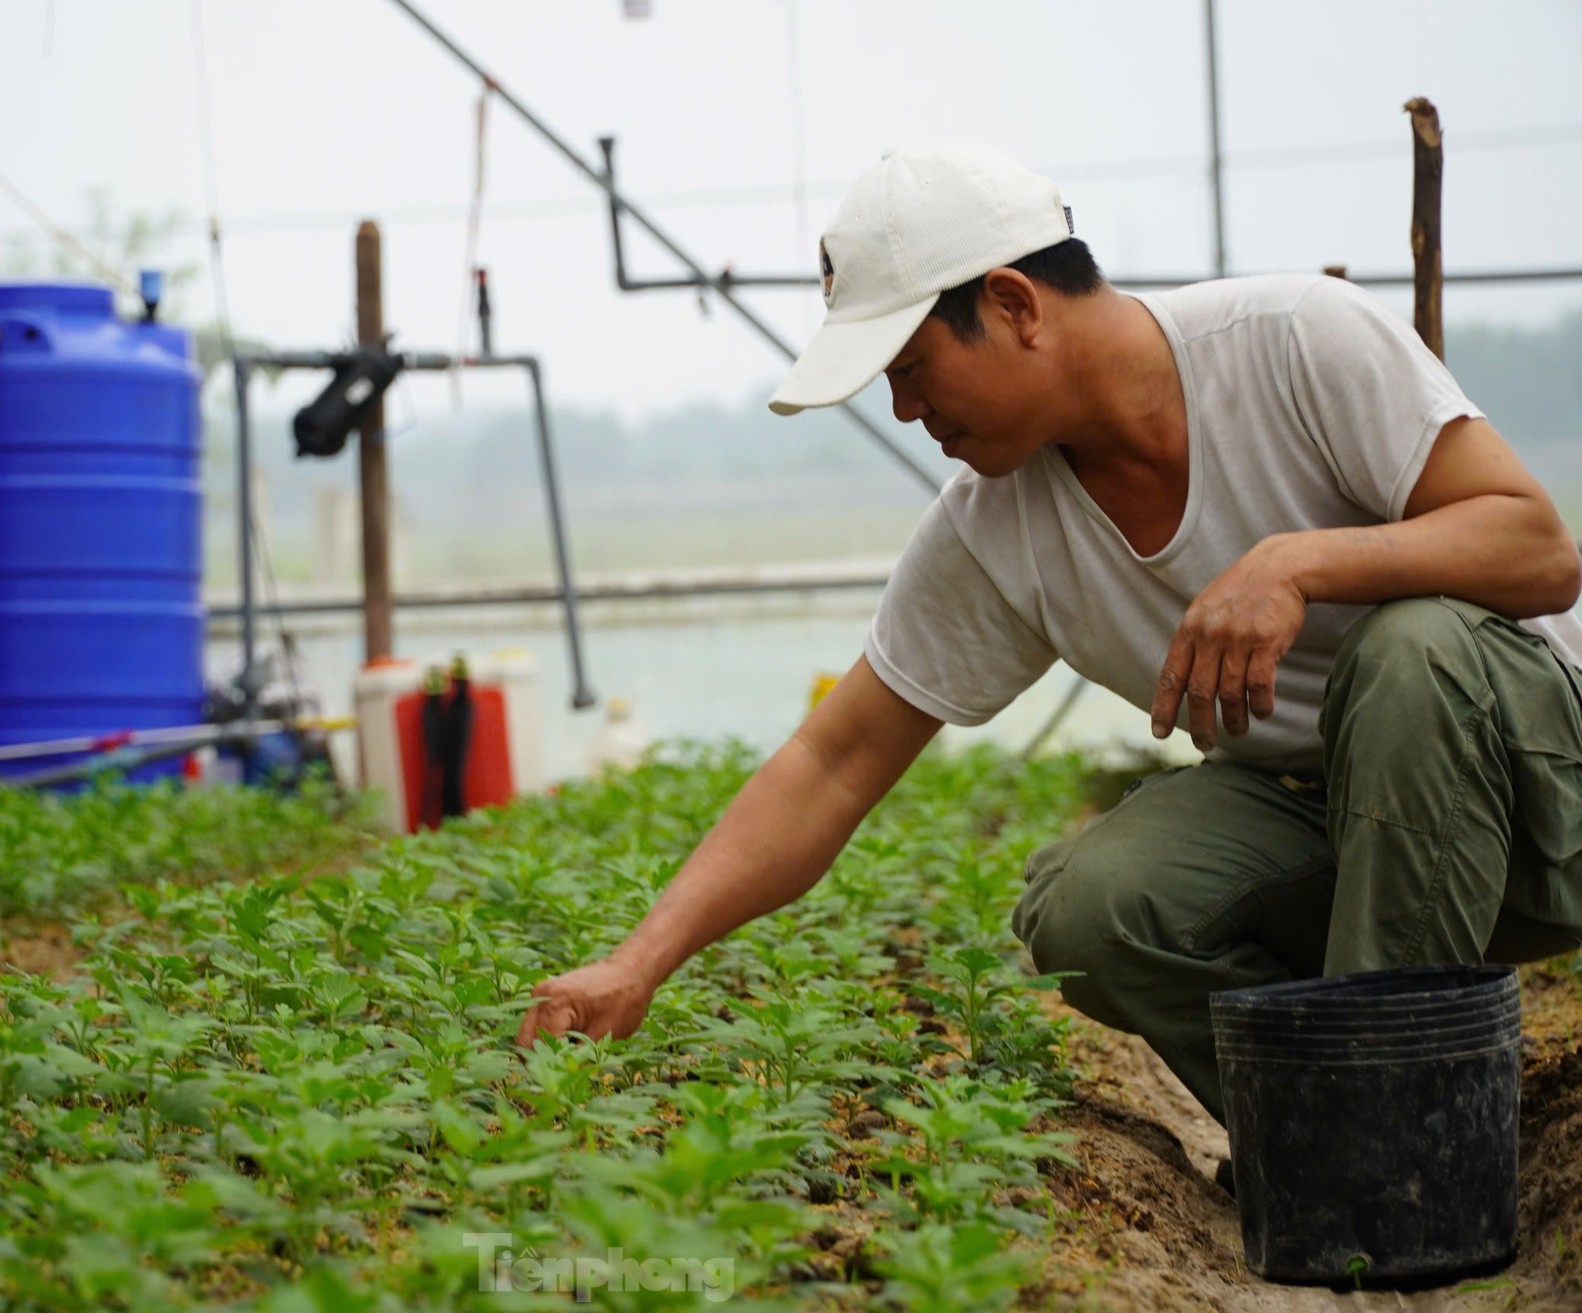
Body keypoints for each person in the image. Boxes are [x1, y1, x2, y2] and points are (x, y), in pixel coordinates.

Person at [514, 145, 1582, 1126]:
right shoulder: (995, 524)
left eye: (912, 366)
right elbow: (832, 760)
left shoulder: (1294, 341)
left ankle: (1407, 1131)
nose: (901, 409)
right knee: (1094, 912)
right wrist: (638, 962)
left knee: (1413, 649)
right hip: (1348, 831)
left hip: (1541, 813)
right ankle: (1339, 1129)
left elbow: (1537, 548)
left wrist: (1295, 560)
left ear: (1014, 303)